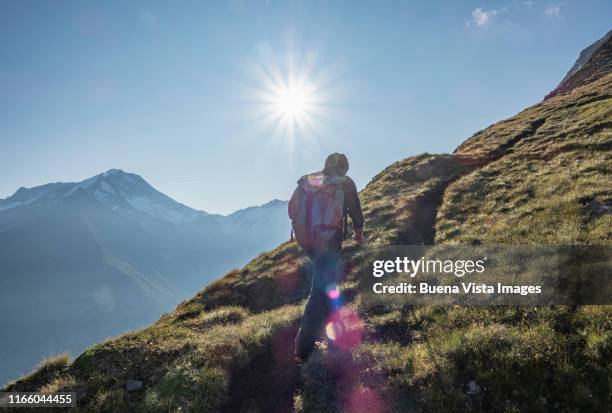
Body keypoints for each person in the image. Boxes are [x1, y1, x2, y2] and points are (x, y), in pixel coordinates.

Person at [288, 153, 364, 361]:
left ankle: (333, 329)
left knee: (326, 283)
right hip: (328, 240)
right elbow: (356, 211)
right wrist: (359, 234)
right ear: (344, 168)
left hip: (307, 240)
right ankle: (303, 350)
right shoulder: (344, 183)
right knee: (319, 290)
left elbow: (292, 210)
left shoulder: (308, 182)